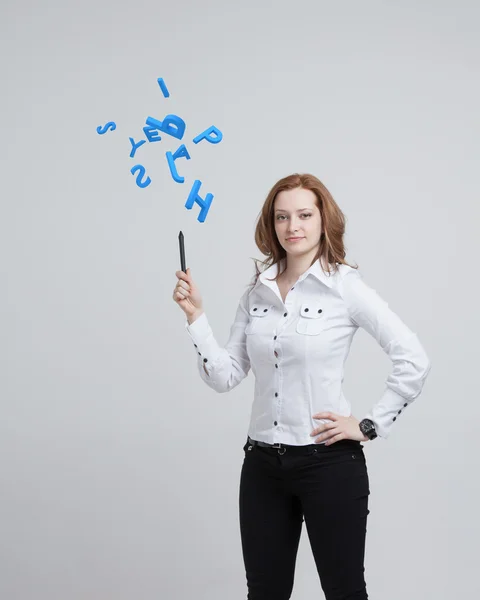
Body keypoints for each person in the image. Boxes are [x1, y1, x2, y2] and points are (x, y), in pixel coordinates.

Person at [173, 173, 431, 600]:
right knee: (265, 593)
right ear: (271, 225)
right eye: (282, 216)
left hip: (328, 466)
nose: (293, 226)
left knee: (344, 592)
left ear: (323, 219)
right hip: (262, 468)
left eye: (304, 215)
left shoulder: (345, 288)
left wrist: (369, 425)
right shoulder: (256, 293)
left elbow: (413, 358)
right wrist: (196, 317)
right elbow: (225, 376)